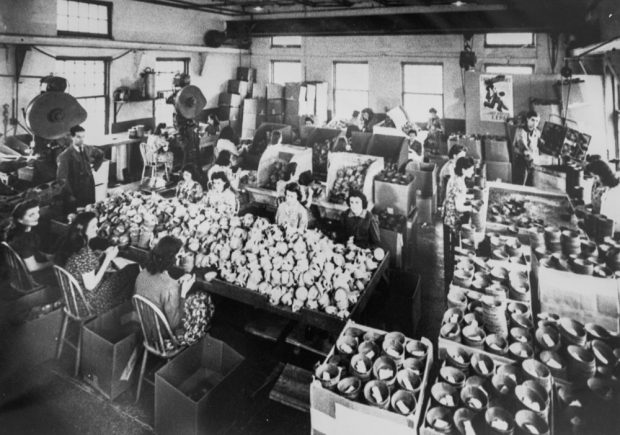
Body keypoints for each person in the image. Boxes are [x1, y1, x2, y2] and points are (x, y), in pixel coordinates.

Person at [55, 212, 139, 316]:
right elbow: (90, 285)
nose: (97, 229)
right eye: (93, 226)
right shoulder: (84, 254)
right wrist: (108, 259)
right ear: (82, 229)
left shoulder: (75, 245)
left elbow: (85, 268)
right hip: (87, 303)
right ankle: (124, 313)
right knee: (132, 270)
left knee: (117, 273)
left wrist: (104, 255)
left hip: (74, 297)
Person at [135, 236, 214, 345]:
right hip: (162, 336)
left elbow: (159, 286)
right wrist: (183, 292)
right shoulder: (170, 287)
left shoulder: (142, 273)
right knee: (202, 298)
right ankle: (199, 342)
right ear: (172, 259)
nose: (182, 258)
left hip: (146, 326)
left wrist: (176, 283)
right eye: (180, 255)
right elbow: (174, 324)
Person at [442, 156, 476, 291]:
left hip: (447, 214)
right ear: (464, 169)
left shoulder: (455, 177)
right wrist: (472, 208)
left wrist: (469, 198)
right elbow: (459, 207)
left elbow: (457, 197)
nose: (473, 172)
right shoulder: (459, 183)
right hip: (452, 219)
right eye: (471, 170)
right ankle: (454, 273)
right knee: (458, 245)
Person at [3, 199, 55, 284]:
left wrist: (47, 256)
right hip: (33, 278)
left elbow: (31, 251)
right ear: (20, 220)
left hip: (20, 275)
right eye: (31, 215)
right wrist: (52, 262)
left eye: (37, 212)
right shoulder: (25, 239)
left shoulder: (15, 232)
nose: (37, 216)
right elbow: (33, 267)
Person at [56, 125, 103, 211]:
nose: (81, 140)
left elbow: (100, 154)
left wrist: (95, 168)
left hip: (89, 188)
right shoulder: (64, 156)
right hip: (75, 191)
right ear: (72, 137)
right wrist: (70, 196)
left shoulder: (88, 148)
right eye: (78, 137)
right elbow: (62, 179)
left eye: (83, 137)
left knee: (90, 211)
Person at [586, 160, 620, 229]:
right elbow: (596, 204)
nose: (595, 180)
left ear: (603, 175)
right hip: (597, 223)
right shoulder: (597, 185)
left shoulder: (614, 192)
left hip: (609, 228)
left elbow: (610, 218)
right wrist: (585, 207)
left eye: (595, 177)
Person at [513, 110, 542, 186]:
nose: (534, 123)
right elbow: (522, 147)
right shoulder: (520, 131)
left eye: (537, 121)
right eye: (532, 120)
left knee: (531, 186)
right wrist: (531, 157)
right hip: (521, 162)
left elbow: (540, 146)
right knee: (520, 185)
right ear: (527, 119)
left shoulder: (537, 132)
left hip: (532, 163)